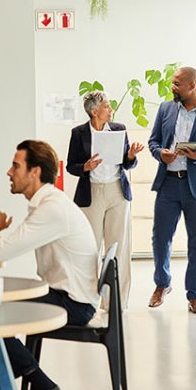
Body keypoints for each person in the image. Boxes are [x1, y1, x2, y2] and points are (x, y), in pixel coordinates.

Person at [0, 140, 98, 390]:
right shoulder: (48, 203)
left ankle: (40, 384)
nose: (9, 172)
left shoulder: (52, 208)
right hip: (67, 295)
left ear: (35, 171)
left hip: (73, 303)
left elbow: (2, 252)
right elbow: (6, 247)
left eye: (15, 166)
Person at [147, 66, 196, 314]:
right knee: (160, 238)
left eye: (177, 83)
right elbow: (153, 141)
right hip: (168, 183)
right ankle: (162, 285)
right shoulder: (166, 109)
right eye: (172, 83)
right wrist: (161, 153)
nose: (173, 87)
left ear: (192, 86)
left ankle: (195, 295)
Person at [67, 90, 144, 309]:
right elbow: (70, 165)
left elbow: (128, 163)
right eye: (107, 107)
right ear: (94, 112)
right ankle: (87, 301)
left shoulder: (119, 129)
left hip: (117, 192)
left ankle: (115, 304)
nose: (111, 110)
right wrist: (85, 167)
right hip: (91, 194)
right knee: (90, 248)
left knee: (118, 247)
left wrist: (131, 156)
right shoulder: (79, 133)